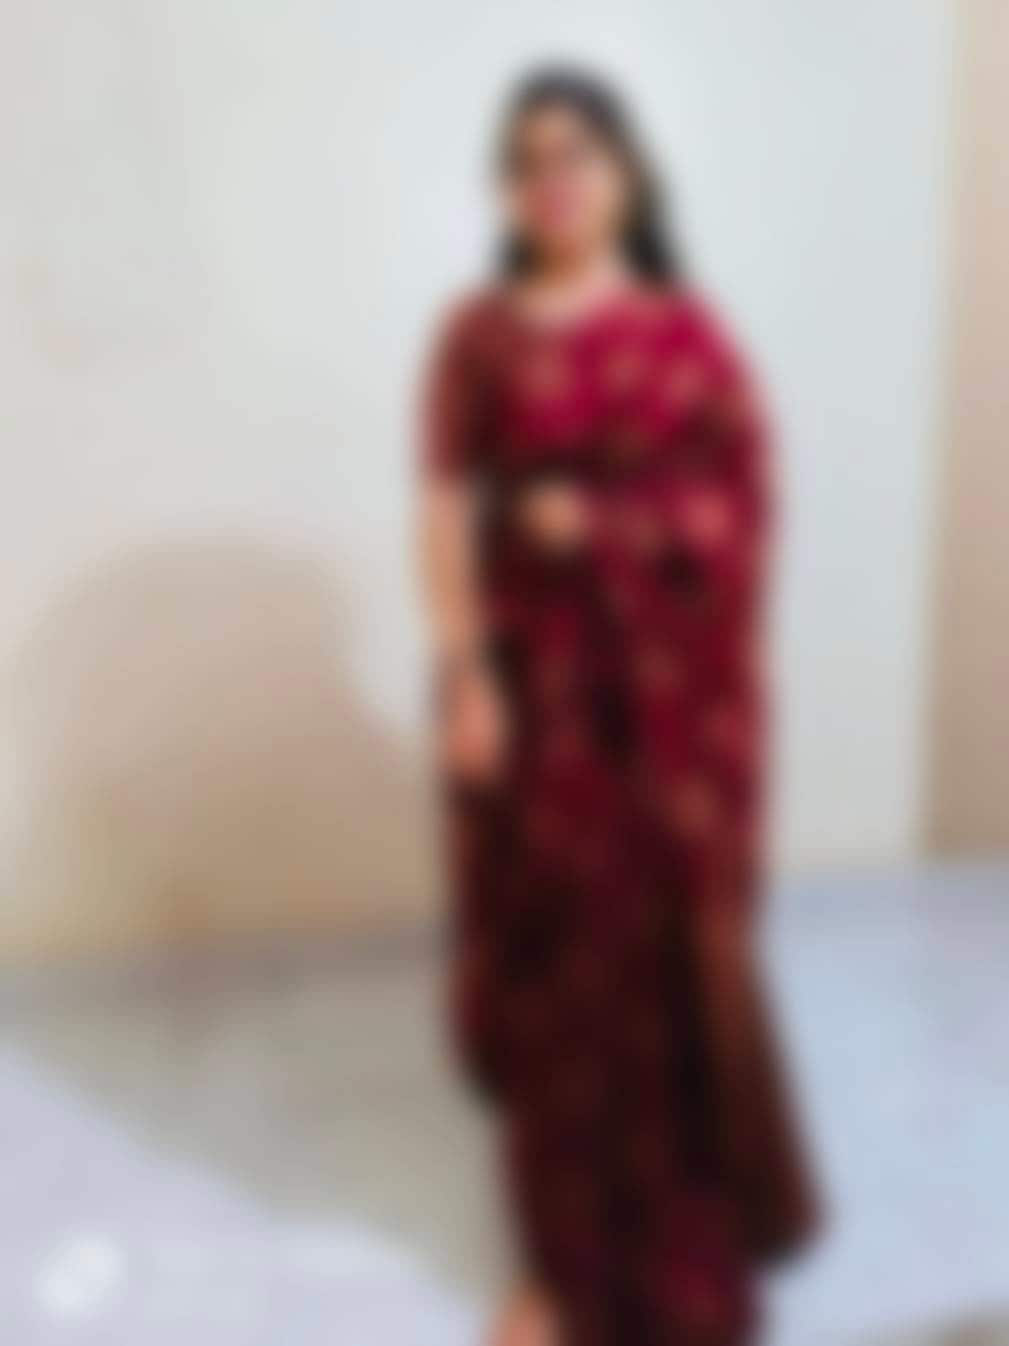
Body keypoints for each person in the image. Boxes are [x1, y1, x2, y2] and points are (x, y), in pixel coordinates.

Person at [417, 65, 819, 1346]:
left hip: (668, 727)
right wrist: (467, 673)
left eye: (576, 153)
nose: (552, 179)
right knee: (553, 973)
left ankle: (682, 1234)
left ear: (628, 174)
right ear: (507, 189)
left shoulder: (687, 339)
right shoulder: (477, 335)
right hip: (534, 697)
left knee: (660, 965)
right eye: (526, 159)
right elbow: (441, 511)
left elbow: (739, 512)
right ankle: (560, 1265)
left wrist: (598, 524)